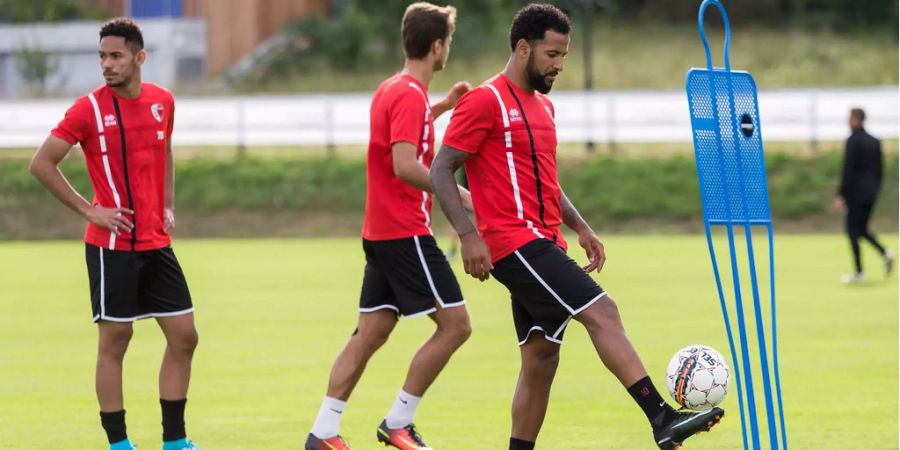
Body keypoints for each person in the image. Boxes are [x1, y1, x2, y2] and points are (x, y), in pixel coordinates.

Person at [429, 4, 723, 450]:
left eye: (564, 55)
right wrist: (469, 236)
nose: (559, 65)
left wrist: (582, 227)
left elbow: (547, 182)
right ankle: (661, 417)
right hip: (512, 243)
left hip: (546, 241)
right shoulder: (484, 101)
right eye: (552, 54)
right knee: (602, 312)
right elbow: (440, 168)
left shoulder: (544, 108)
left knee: (541, 359)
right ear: (523, 47)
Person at [305, 3, 473, 449]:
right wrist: (460, 197)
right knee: (456, 325)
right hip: (404, 231)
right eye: (448, 43)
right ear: (437, 46)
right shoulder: (407, 95)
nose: (447, 50)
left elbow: (403, 136)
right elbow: (404, 164)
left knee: (371, 333)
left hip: (380, 233)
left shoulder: (395, 90)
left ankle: (323, 432)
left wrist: (444, 106)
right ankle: (399, 421)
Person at [29, 18, 200, 450]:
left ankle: (175, 441)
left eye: (116, 56)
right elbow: (41, 163)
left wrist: (167, 204)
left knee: (184, 336)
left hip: (156, 243)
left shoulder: (163, 101)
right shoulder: (88, 109)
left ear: (139, 58)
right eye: (102, 56)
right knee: (116, 341)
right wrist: (90, 210)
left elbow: (166, 153)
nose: (107, 64)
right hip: (112, 248)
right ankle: (119, 444)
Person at [833, 108, 894, 283]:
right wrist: (875, 190)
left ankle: (859, 272)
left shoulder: (853, 141)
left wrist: (841, 195)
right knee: (862, 229)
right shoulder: (875, 142)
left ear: (856, 119)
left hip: (855, 194)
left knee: (853, 231)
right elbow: (880, 170)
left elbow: (849, 170)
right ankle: (885, 252)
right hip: (871, 193)